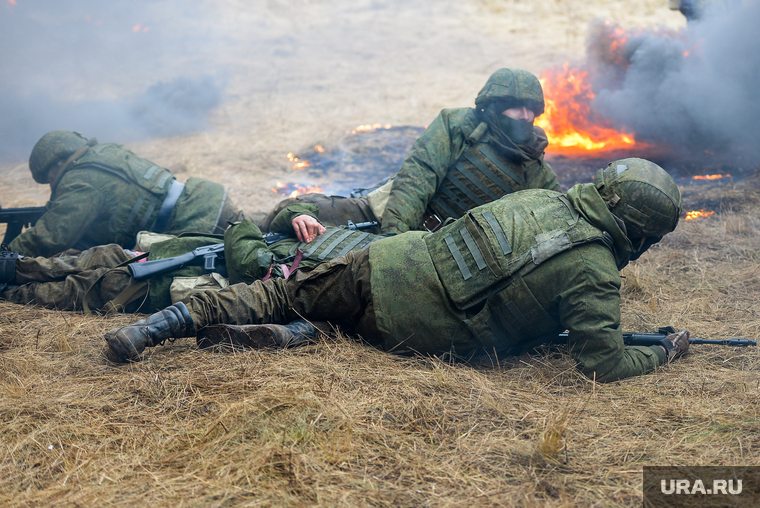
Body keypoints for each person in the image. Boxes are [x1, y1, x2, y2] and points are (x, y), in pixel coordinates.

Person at [105, 158, 691, 383]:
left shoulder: (540, 199)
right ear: (639, 230)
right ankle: (304, 333)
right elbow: (602, 361)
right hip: (411, 329)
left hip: (383, 262)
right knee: (349, 327)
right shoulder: (593, 271)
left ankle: (159, 326)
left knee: (275, 296)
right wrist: (662, 352)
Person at [259, 68, 561, 236]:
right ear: (494, 106)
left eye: (531, 109)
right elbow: (417, 180)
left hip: (443, 255)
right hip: (382, 216)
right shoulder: (457, 126)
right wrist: (395, 242)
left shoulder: (536, 170)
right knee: (293, 211)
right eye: (515, 106)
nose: (524, 115)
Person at [0, 203, 381, 313]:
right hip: (192, 251)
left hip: (203, 283)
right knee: (109, 254)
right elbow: (289, 209)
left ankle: (9, 293)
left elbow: (252, 264)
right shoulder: (357, 238)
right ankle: (15, 268)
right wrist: (299, 216)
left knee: (99, 287)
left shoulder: (341, 276)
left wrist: (241, 229)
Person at [7, 130, 248, 257]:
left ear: (56, 164)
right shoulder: (107, 151)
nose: (51, 183)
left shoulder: (79, 181)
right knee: (263, 233)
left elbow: (50, 237)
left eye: (48, 176)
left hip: (193, 225)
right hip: (208, 197)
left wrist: (5, 255)